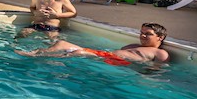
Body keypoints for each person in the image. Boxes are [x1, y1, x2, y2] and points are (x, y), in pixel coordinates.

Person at [16, 22, 170, 64]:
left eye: (148, 34)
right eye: (142, 32)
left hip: (119, 62)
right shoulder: (134, 46)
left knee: (78, 52)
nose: (142, 36)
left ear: (160, 37)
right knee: (62, 43)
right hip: (107, 56)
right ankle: (37, 53)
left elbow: (156, 70)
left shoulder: (160, 53)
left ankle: (48, 59)